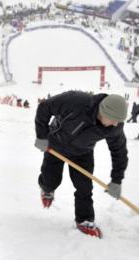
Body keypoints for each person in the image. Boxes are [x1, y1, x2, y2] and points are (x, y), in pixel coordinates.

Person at [34, 92, 129, 238]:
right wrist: (41, 136)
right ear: (103, 111)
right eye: (114, 120)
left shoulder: (114, 127)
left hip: (82, 152)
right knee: (51, 180)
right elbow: (44, 107)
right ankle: (46, 189)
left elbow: (119, 151)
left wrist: (117, 180)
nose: (116, 124)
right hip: (55, 146)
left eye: (119, 121)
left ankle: (84, 219)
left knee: (84, 187)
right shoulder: (76, 101)